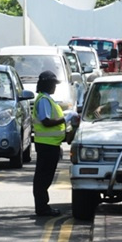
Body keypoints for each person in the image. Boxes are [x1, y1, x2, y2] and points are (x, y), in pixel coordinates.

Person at [32, 70, 77, 217]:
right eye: (53, 84)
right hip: (46, 145)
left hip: (50, 144)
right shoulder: (44, 100)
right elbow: (46, 121)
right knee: (43, 178)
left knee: (44, 177)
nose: (55, 87)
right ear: (47, 84)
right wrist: (65, 118)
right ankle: (42, 207)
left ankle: (42, 206)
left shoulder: (46, 99)